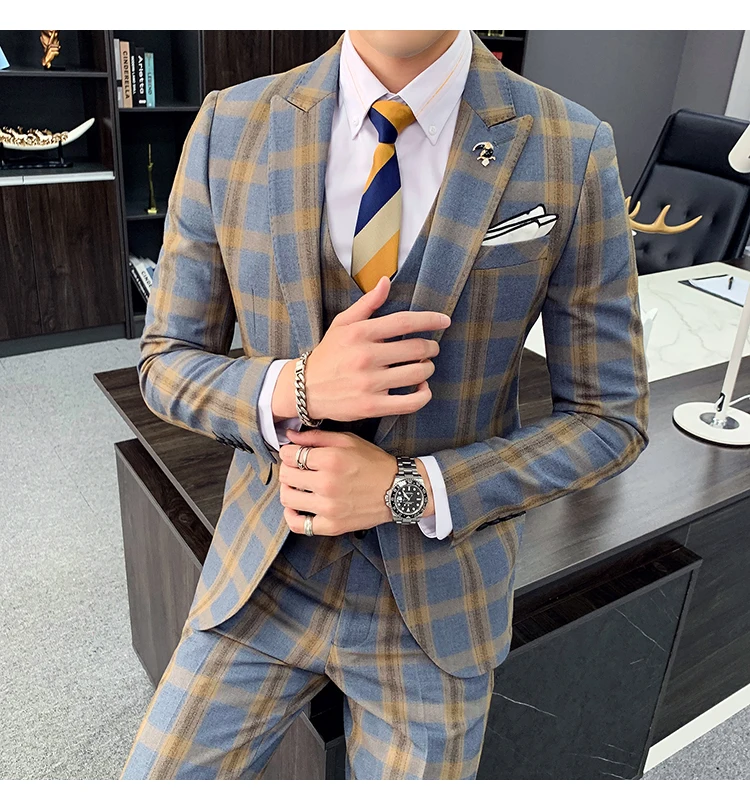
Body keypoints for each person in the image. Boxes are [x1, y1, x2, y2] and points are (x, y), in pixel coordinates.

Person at [121, 29, 649, 779]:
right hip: (264, 574)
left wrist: (412, 489)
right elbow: (164, 362)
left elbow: (610, 418)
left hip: (437, 604)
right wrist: (299, 385)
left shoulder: (571, 146)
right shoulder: (230, 124)